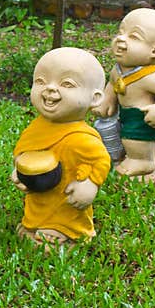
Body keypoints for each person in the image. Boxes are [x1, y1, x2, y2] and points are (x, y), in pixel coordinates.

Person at [12, 46, 112, 250]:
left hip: (67, 197)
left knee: (61, 216)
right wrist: (20, 172)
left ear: (95, 98)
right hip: (39, 192)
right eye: (40, 81)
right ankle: (35, 226)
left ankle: (65, 233)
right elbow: (25, 150)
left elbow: (101, 161)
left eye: (67, 84)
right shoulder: (37, 126)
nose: (50, 88)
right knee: (36, 213)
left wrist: (90, 184)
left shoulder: (82, 138)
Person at [94, 8, 155, 180]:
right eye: (121, 32)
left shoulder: (150, 76)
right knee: (126, 136)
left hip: (142, 117)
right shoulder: (118, 69)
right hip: (124, 114)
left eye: (134, 37)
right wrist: (107, 99)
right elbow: (112, 84)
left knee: (133, 139)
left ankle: (143, 161)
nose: (120, 39)